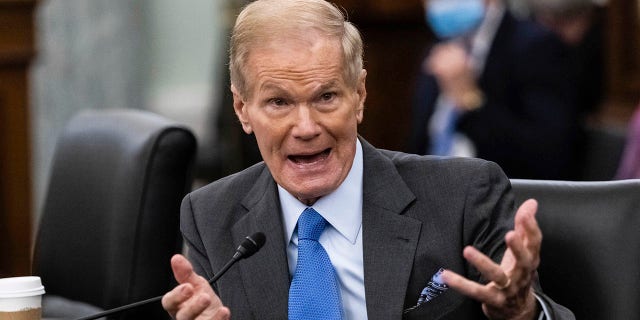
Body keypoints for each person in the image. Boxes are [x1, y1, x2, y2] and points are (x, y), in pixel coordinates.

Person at [161, 0, 574, 319]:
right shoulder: (210, 215)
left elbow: (534, 306)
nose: (305, 126)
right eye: (278, 102)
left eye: (326, 97)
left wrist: (522, 312)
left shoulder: (465, 194)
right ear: (242, 109)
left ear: (359, 95)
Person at [408, 0, 582, 180]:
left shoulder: (537, 45)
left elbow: (547, 155)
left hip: (498, 194)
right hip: (430, 188)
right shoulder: (440, 46)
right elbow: (419, 143)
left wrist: (469, 99)